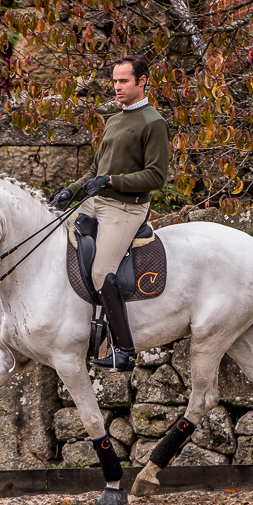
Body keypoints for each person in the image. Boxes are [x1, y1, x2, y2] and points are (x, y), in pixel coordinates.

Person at [50, 54, 170, 371]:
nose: (116, 87)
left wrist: (113, 181)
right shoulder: (114, 120)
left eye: (123, 81)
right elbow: (95, 169)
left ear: (142, 81)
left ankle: (125, 351)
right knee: (53, 235)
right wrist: (71, 190)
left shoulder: (153, 123)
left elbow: (157, 177)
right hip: (96, 200)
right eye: (114, 81)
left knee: (103, 271)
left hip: (126, 207)